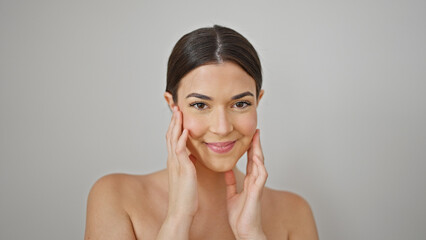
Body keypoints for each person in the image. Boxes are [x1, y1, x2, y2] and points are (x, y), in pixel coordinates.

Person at [84, 25, 319, 240]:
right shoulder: (116, 198)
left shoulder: (295, 214)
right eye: (200, 105)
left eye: (240, 104)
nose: (222, 127)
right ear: (172, 104)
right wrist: (178, 219)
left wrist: (251, 234)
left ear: (258, 101)